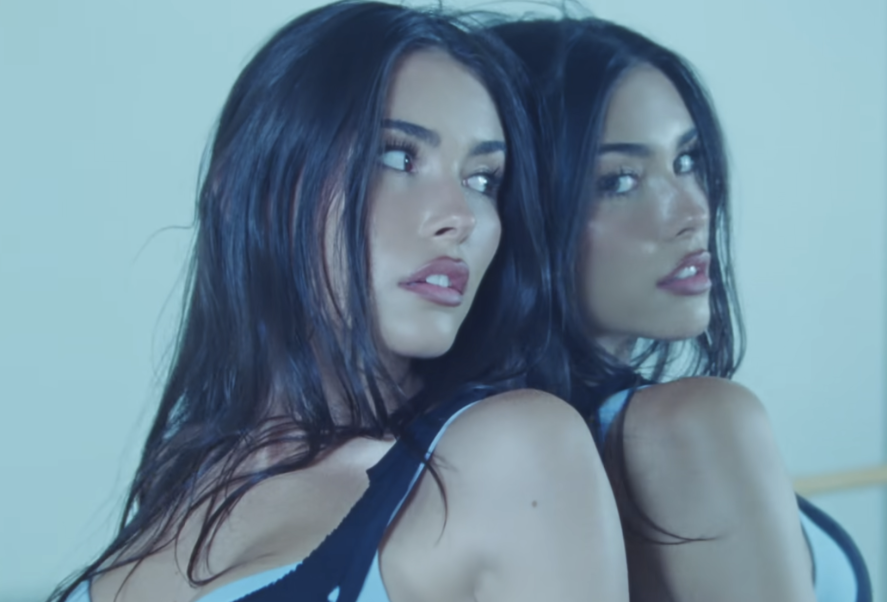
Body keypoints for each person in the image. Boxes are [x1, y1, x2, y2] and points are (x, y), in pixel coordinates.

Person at [50, 4, 630, 602]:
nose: (460, 217)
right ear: (251, 185)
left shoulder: (509, 457)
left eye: (483, 179)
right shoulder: (180, 473)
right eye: (398, 157)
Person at [492, 16, 872, 602]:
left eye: (688, 160)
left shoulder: (474, 448)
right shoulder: (690, 426)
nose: (693, 212)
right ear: (523, 206)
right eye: (619, 181)